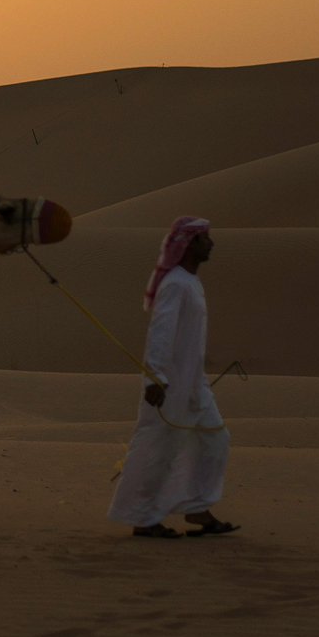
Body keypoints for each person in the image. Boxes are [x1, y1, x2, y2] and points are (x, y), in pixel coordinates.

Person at [107, 216, 239, 539]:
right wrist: (155, 378)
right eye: (205, 238)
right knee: (157, 448)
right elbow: (160, 333)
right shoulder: (176, 283)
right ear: (190, 244)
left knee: (215, 438)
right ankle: (142, 518)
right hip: (168, 384)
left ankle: (196, 508)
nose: (211, 243)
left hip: (193, 384)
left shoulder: (191, 282)